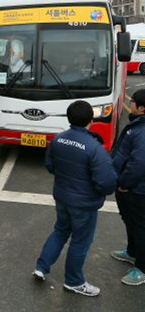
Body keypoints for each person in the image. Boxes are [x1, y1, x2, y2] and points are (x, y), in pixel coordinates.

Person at [33, 100, 117, 297]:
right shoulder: (95, 148)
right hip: (84, 203)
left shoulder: (58, 139)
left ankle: (41, 267)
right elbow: (106, 181)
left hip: (62, 196)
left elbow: (50, 165)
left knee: (60, 231)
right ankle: (74, 281)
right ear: (91, 119)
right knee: (80, 241)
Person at [111, 88, 145, 286]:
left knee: (140, 227)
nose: (129, 104)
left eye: (132, 102)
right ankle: (132, 252)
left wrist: (125, 183)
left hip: (136, 190)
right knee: (131, 222)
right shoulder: (137, 125)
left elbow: (139, 163)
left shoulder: (141, 131)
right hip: (130, 187)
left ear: (141, 108)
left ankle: (141, 268)